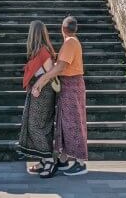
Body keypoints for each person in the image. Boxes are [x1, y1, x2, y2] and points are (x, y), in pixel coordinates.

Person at [33, 15, 88, 176]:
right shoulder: (70, 42)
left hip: (72, 85)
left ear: (62, 29)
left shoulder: (71, 42)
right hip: (68, 85)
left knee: (74, 122)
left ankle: (80, 163)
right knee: (64, 123)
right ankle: (63, 159)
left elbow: (61, 67)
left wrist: (42, 81)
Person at [16, 20, 58, 177]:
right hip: (38, 92)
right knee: (40, 126)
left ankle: (49, 161)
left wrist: (39, 86)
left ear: (33, 34)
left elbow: (51, 73)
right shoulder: (37, 52)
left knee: (35, 126)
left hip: (43, 93)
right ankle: (43, 160)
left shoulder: (43, 52)